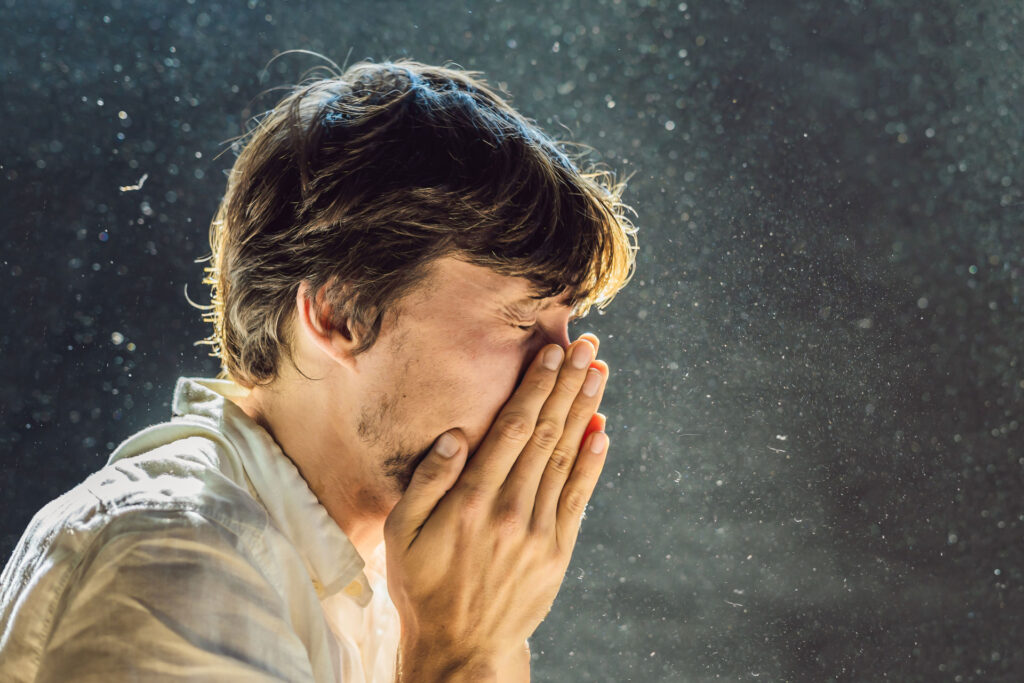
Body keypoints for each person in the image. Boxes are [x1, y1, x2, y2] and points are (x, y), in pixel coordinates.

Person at [0, 59, 636, 682]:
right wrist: (461, 657)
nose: (561, 378)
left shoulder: (396, 594)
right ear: (342, 315)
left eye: (567, 327)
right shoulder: (172, 563)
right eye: (523, 321)